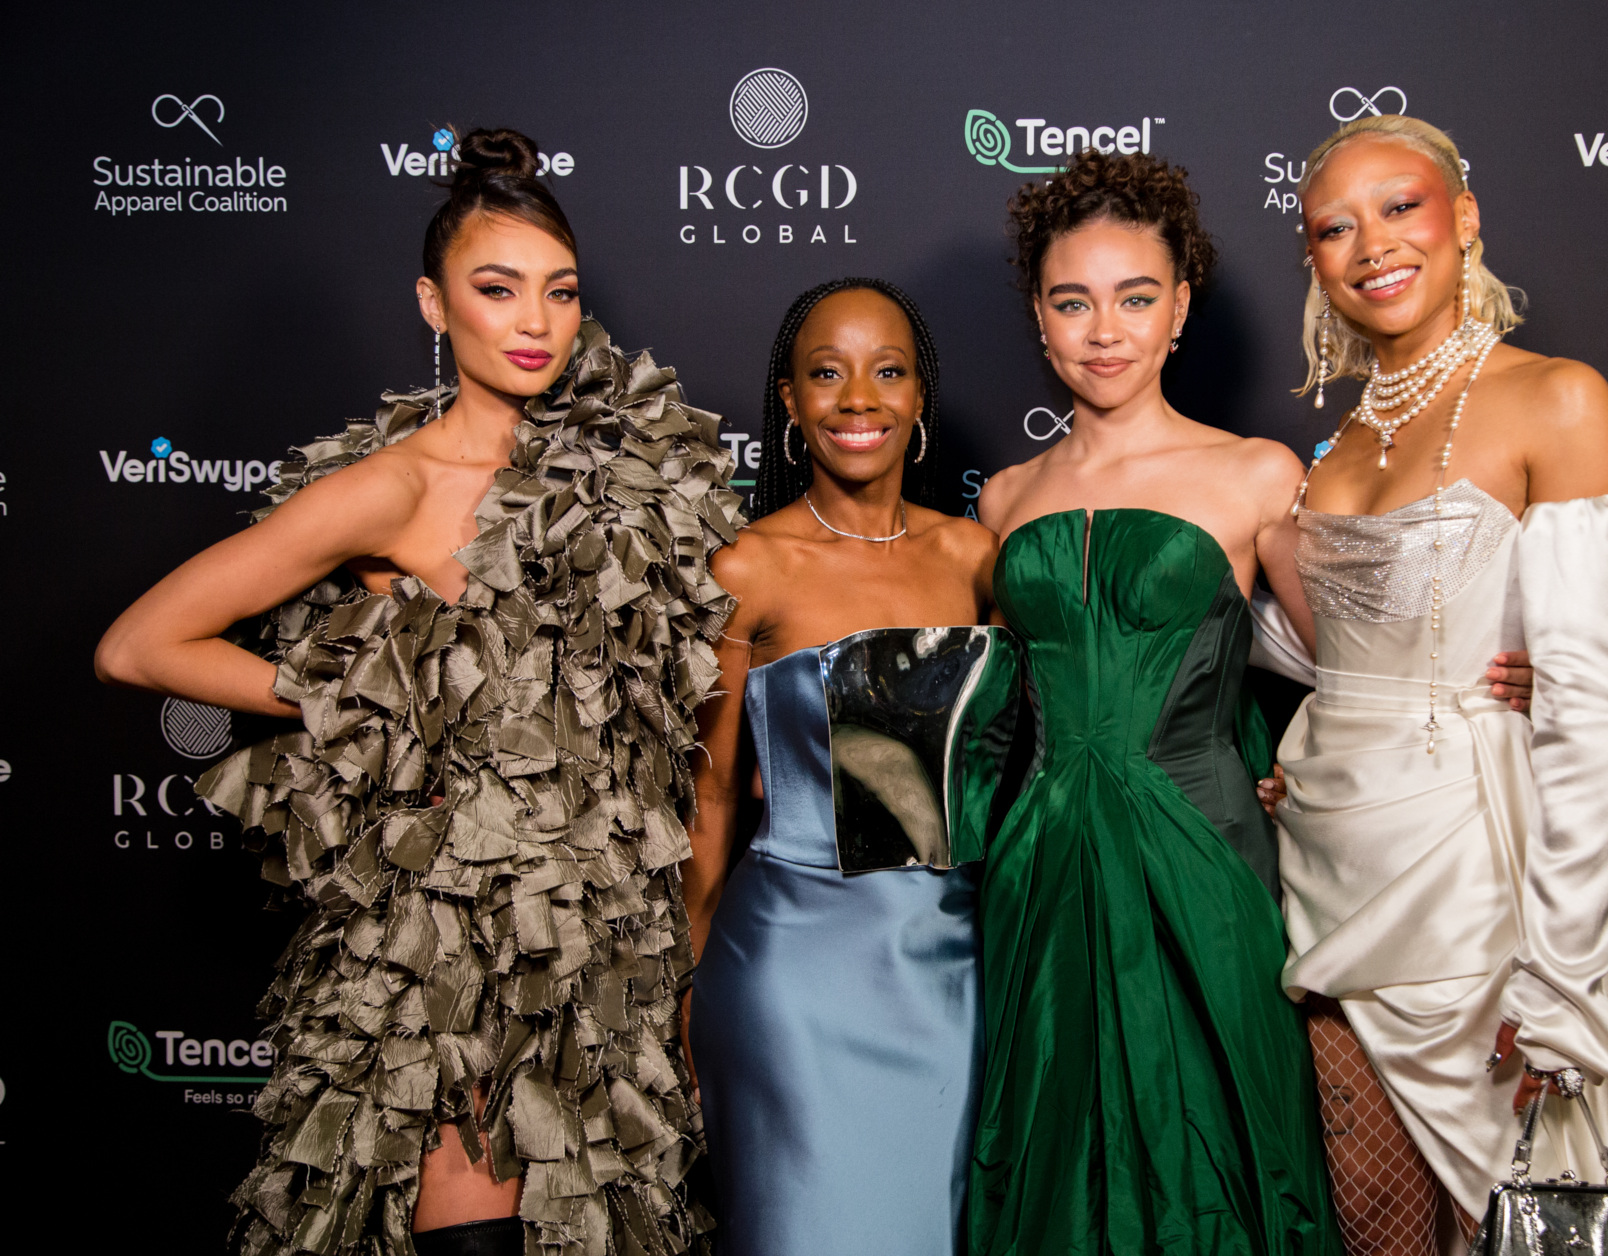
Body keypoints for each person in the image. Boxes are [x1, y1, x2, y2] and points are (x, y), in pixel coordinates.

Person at [94, 130, 737, 1256]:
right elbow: (141, 644)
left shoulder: (619, 476)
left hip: (603, 947)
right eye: (498, 290)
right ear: (436, 306)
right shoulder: (392, 485)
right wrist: (362, 693)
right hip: (446, 944)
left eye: (559, 292)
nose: (534, 322)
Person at [1269, 113, 1608, 1256]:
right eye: (1334, 227)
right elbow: (1339, 657)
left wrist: (1565, 979)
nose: (1371, 244)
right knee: (1372, 1222)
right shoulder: (1329, 451)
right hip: (1330, 878)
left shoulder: (1558, 399)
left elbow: (1586, 724)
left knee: (1519, 1216)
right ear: (1314, 259)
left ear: (1465, 219)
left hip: (1482, 902)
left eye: (1400, 207)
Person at [968, 150, 1340, 1256]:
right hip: (1040, 867)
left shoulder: (1259, 474)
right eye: (1072, 301)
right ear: (1038, 314)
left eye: (1136, 297)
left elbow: (1360, 672)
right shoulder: (1004, 499)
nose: (1104, 329)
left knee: (1213, 1152)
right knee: (1053, 1157)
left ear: (1180, 307)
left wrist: (1477, 678)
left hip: (1202, 857)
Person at [683, 278, 1001, 1256]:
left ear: (918, 398)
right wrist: (684, 987)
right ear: (788, 400)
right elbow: (716, 793)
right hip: (797, 973)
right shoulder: (748, 565)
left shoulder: (978, 556)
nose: (858, 398)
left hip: (955, 970)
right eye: (827, 373)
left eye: (887, 371)